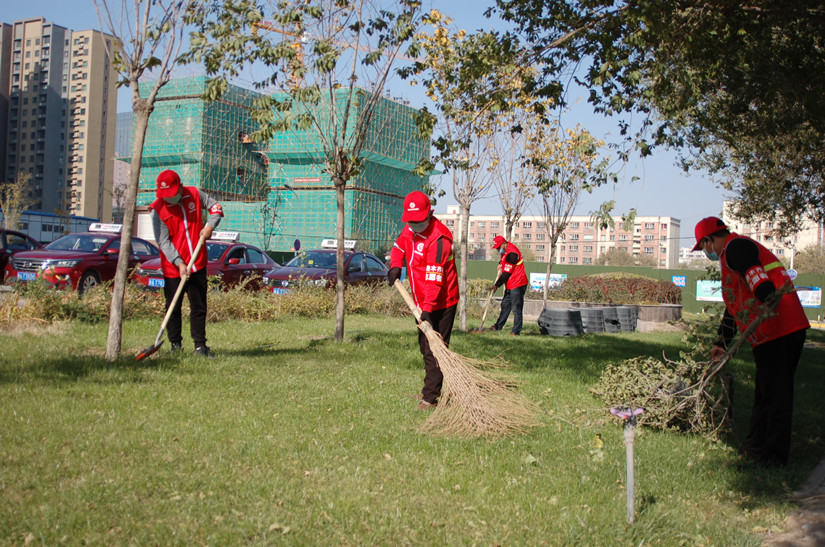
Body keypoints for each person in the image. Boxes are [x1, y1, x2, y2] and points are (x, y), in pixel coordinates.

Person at [693, 216, 809, 466]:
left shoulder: (736, 247)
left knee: (775, 394)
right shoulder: (727, 258)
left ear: (708, 240)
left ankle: (773, 457)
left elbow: (756, 276)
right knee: (765, 392)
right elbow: (735, 308)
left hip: (781, 327)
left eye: (703, 247)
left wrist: (766, 296)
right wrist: (721, 343)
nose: (704, 253)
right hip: (767, 334)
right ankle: (755, 447)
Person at [388, 191, 459, 410]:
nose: (414, 225)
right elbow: (400, 246)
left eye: (418, 221)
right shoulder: (409, 228)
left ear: (429, 214)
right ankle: (431, 388)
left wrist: (427, 311)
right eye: (410, 221)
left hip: (442, 301)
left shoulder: (440, 239)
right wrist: (395, 265)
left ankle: (430, 398)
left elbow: (435, 281)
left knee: (435, 349)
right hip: (420, 300)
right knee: (424, 346)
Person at [150, 169, 224, 357]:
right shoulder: (158, 210)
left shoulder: (194, 194)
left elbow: (216, 207)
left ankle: (200, 346)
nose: (168, 199)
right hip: (173, 267)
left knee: (198, 306)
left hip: (197, 262)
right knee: (173, 306)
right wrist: (179, 263)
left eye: (171, 194)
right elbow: (163, 241)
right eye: (164, 195)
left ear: (180, 188)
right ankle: (175, 345)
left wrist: (209, 226)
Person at [488, 235, 529, 335]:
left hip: (518, 284)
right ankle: (498, 327)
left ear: (505, 244)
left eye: (499, 247)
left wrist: (496, 285)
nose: (498, 250)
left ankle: (516, 331)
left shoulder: (512, 254)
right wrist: (500, 264)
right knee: (505, 306)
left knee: (516, 308)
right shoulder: (505, 251)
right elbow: (503, 261)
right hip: (510, 284)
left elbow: (506, 273)